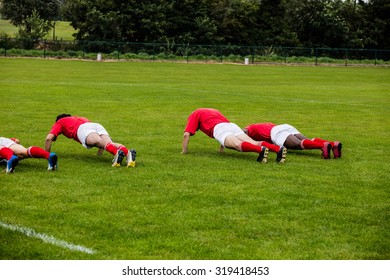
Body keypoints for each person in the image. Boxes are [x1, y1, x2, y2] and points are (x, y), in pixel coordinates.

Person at [182, 108, 287, 163]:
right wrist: (221, 149)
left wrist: (184, 151)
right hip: (231, 125)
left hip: (220, 129)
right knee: (254, 142)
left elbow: (186, 135)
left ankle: (260, 150)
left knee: (237, 144)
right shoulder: (212, 111)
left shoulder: (194, 115)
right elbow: (225, 128)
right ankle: (278, 149)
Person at [44, 114, 136, 167]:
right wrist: (99, 154)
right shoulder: (78, 118)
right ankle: (128, 154)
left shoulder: (60, 122)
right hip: (95, 125)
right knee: (108, 143)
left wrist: (47, 155)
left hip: (82, 129)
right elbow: (101, 141)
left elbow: (48, 138)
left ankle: (116, 153)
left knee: (99, 141)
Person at [243, 123, 342, 159]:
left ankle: (322, 146)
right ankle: (333, 145)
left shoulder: (249, 129)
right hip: (284, 126)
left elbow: (245, 131)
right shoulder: (257, 126)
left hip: (275, 132)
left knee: (298, 144)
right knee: (308, 140)